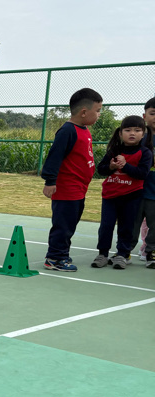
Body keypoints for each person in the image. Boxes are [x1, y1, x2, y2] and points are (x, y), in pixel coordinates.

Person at [40, 88, 102, 272]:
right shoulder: (67, 131)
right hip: (67, 189)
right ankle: (55, 258)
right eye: (97, 110)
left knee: (71, 224)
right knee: (63, 225)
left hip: (79, 189)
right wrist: (50, 181)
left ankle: (62, 253)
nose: (99, 115)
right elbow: (55, 157)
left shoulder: (84, 130)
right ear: (83, 112)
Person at [91, 116, 153, 269]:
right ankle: (102, 254)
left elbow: (142, 174)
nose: (132, 133)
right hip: (110, 196)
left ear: (143, 134)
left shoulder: (145, 153)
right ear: (120, 133)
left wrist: (125, 166)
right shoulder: (114, 151)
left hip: (131, 196)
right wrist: (111, 167)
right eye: (128, 130)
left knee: (126, 227)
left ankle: (122, 255)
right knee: (106, 226)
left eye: (137, 130)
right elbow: (101, 169)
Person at [135, 98, 155, 265]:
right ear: (145, 116)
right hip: (139, 190)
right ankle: (126, 251)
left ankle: (150, 250)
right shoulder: (139, 139)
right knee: (136, 222)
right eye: (153, 113)